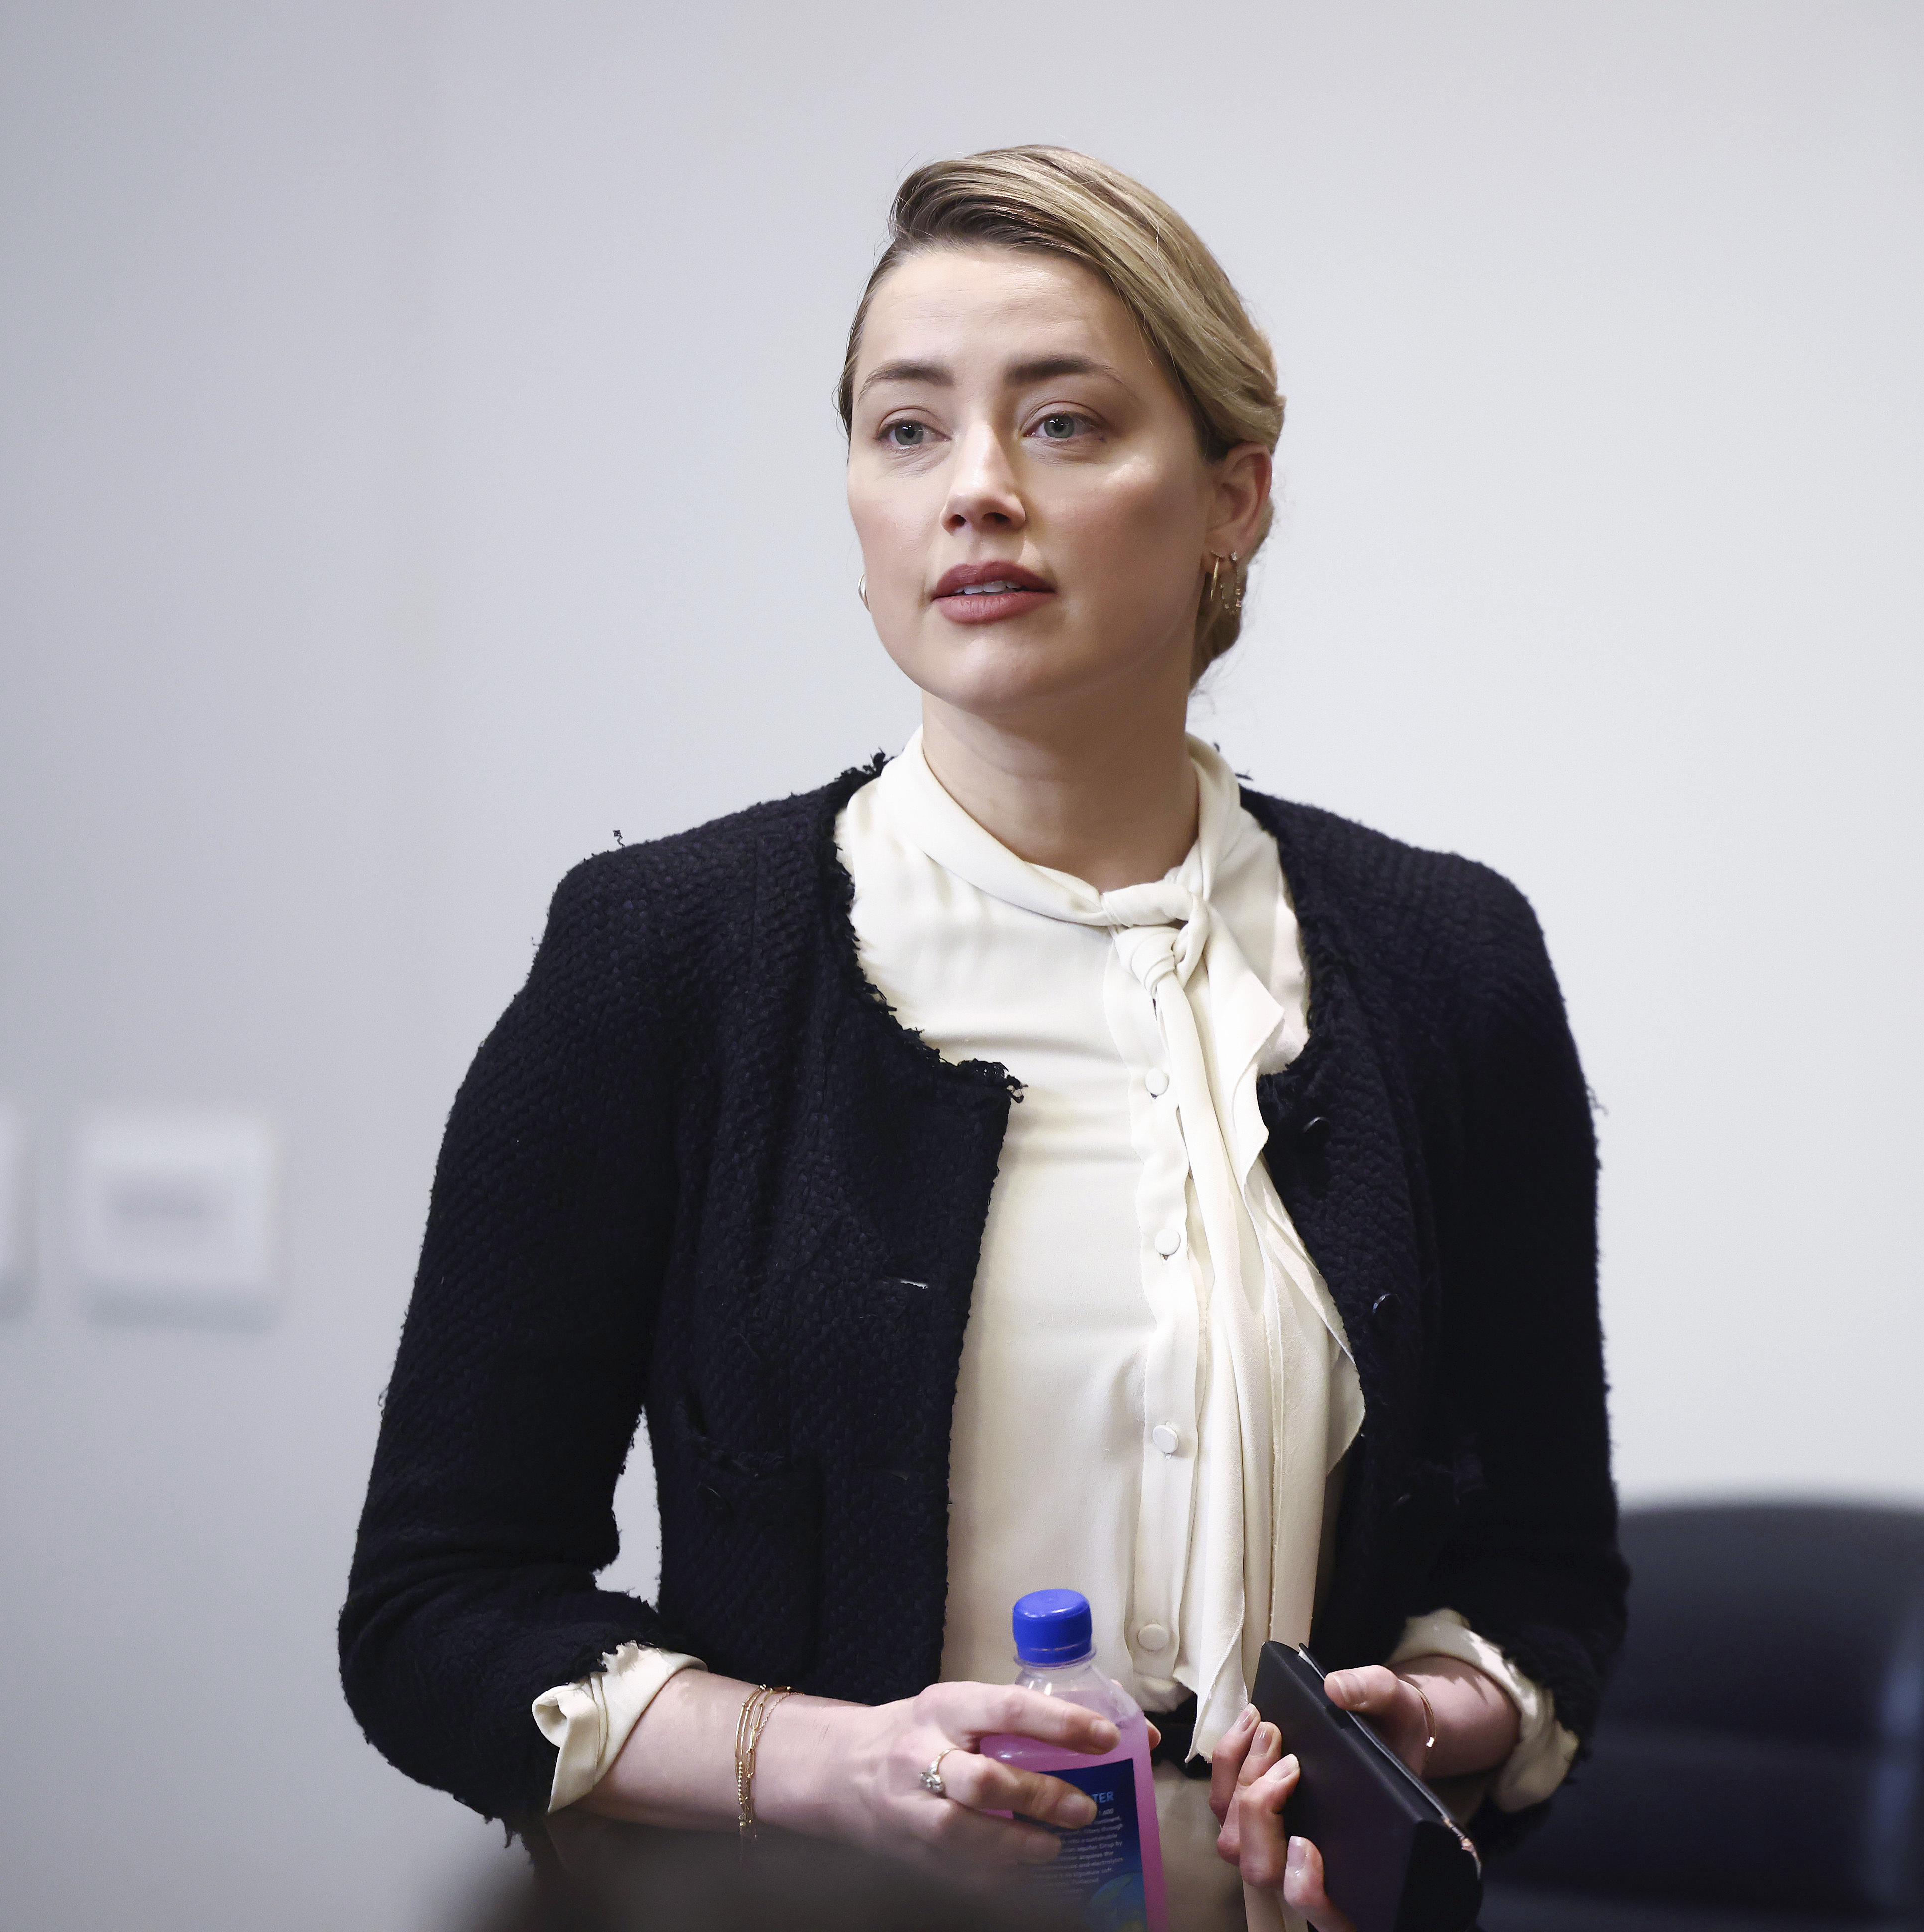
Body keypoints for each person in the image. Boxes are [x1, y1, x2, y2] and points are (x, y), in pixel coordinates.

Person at [341, 146, 1623, 1932]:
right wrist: (823, 1766)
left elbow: (1549, 1580)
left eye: (1068, 424)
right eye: (907, 430)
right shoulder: (665, 965)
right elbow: (438, 1609)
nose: (977, 494)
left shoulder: (1445, 964)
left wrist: (1441, 1717)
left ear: (1235, 496)